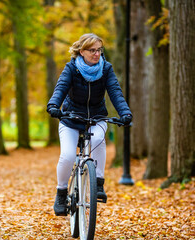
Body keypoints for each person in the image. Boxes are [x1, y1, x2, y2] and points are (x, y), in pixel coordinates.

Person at [47, 33, 132, 216]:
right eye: (92, 50)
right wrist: (54, 105)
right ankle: (61, 193)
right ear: (82, 51)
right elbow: (61, 87)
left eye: (99, 50)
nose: (96, 54)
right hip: (70, 118)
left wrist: (125, 112)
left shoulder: (106, 69)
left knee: (98, 139)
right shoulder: (71, 68)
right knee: (68, 156)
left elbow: (115, 92)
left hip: (96, 117)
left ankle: (98, 183)